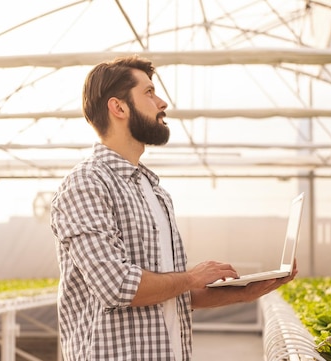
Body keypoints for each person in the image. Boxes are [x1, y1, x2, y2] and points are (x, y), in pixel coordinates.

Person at [50, 55, 297, 361]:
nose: (162, 102)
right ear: (119, 108)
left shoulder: (153, 190)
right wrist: (191, 277)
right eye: (149, 93)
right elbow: (115, 286)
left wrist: (244, 292)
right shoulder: (86, 184)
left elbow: (171, 293)